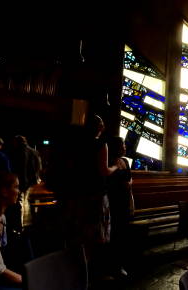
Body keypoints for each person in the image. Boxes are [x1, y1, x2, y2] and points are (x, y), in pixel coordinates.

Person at [61, 114, 117, 281]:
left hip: (79, 193)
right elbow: (103, 171)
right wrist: (115, 166)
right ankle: (90, 273)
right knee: (95, 234)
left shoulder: (77, 145)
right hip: (96, 194)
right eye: (102, 124)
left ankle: (77, 269)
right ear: (99, 127)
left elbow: (71, 168)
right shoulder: (101, 144)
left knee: (80, 233)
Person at [107, 136, 134, 276]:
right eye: (122, 144)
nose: (124, 146)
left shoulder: (125, 161)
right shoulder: (109, 162)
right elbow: (108, 181)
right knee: (114, 234)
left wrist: (129, 185)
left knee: (123, 233)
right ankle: (112, 266)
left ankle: (121, 263)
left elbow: (130, 179)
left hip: (124, 201)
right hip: (114, 202)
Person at [8, 136, 42, 231]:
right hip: (33, 181)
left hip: (23, 181)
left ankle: (20, 225)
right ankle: (29, 223)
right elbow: (39, 166)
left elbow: (22, 168)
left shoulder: (21, 151)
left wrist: (21, 182)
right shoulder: (34, 151)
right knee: (27, 202)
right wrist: (36, 178)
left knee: (20, 202)